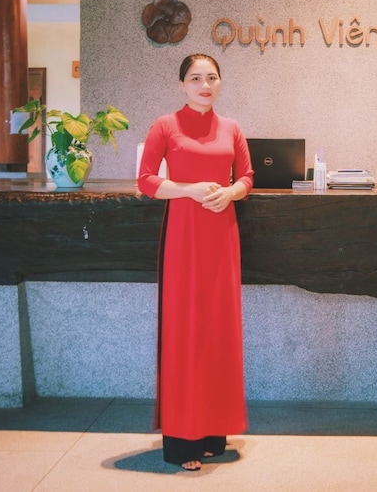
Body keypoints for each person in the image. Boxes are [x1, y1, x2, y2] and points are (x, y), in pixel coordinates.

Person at [137, 53, 254, 471]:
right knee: (185, 330)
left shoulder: (232, 128)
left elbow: (247, 177)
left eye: (212, 78)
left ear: (220, 82)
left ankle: (211, 434)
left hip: (222, 235)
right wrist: (188, 190)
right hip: (184, 236)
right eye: (195, 78)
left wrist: (231, 193)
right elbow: (145, 180)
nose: (205, 85)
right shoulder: (165, 125)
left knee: (217, 329)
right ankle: (183, 440)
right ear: (182, 84)